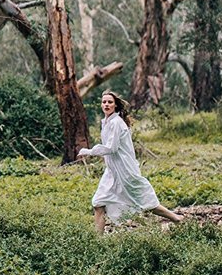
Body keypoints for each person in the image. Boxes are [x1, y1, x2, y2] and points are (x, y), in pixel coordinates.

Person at [78, 90, 184, 234]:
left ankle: (176, 218)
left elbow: (112, 148)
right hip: (112, 171)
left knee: (144, 201)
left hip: (125, 170)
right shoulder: (107, 122)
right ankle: (97, 241)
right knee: (98, 203)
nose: (106, 104)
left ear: (115, 105)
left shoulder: (116, 123)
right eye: (104, 102)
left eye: (110, 102)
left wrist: (89, 151)